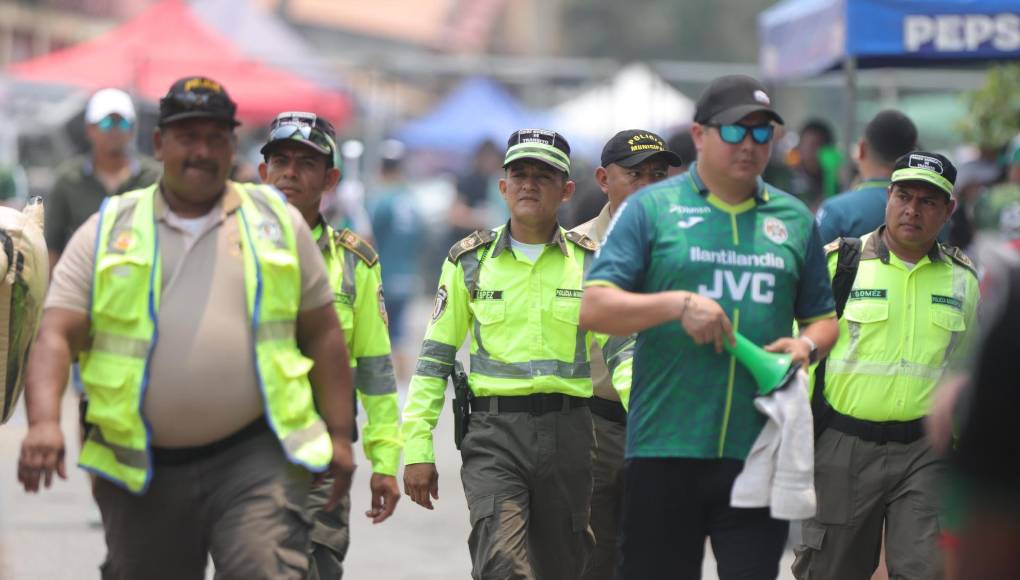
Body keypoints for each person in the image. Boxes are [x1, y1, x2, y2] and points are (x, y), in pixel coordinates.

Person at [17, 77, 356, 580]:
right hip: (141, 465)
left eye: (215, 137)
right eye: (187, 136)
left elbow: (325, 333)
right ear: (159, 144)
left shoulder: (275, 223)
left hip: (256, 458)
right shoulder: (110, 228)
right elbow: (55, 333)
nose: (201, 150)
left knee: (264, 569)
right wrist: (43, 422)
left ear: (231, 145)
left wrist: (341, 436)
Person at [580, 74, 840, 580]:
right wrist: (676, 305)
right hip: (664, 446)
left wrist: (806, 346)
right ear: (700, 135)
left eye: (763, 133)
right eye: (735, 130)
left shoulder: (794, 220)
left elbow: (824, 320)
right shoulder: (650, 210)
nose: (750, 144)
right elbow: (594, 307)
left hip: (757, 448)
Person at [402, 129, 630, 580]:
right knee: (502, 564)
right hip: (494, 436)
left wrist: (651, 426)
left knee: (562, 568)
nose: (529, 184)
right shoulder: (469, 260)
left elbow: (624, 354)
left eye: (543, 176)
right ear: (502, 186)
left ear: (566, 191)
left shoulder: (591, 262)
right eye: (519, 174)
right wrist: (416, 447)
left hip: (571, 437)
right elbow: (435, 358)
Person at [793, 152, 980, 580]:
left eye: (928, 201)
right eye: (903, 196)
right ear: (887, 198)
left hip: (925, 452)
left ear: (948, 210)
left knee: (925, 569)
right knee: (829, 568)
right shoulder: (840, 264)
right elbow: (797, 352)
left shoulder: (963, 280)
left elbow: (968, 370)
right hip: (842, 445)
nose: (912, 210)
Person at [258, 111, 402, 579]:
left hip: (321, 454)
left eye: (306, 163)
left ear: (330, 178)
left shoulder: (354, 264)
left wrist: (385, 459)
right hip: (244, 448)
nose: (290, 173)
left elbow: (377, 369)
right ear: (263, 172)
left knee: (316, 568)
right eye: (280, 160)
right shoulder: (231, 247)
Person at [572, 128, 681, 580]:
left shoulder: (688, 250)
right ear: (603, 178)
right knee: (591, 560)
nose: (647, 186)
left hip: (666, 427)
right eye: (634, 175)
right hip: (596, 430)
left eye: (657, 175)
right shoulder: (573, 250)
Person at [44, 88, 161, 269]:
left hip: (140, 281)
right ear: (90, 129)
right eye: (106, 123)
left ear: (132, 130)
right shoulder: (68, 179)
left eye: (122, 124)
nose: (114, 130)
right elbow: (53, 246)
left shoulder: (154, 177)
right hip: (82, 282)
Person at [368, 139, 426, 382]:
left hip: (384, 278)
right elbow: (422, 238)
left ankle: (387, 390)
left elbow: (368, 238)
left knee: (380, 337)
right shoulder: (412, 202)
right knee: (400, 336)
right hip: (406, 276)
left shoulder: (381, 201)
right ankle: (403, 390)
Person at [816, 110, 918, 243]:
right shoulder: (930, 212)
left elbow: (814, 261)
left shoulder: (837, 211)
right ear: (913, 155)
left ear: (862, 149)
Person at [789, 118, 838, 211]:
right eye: (805, 143)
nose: (809, 151)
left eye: (815, 145)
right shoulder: (788, 177)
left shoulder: (833, 179)